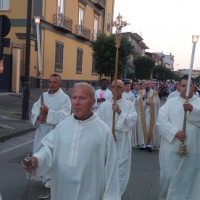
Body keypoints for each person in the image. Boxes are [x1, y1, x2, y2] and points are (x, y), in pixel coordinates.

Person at [25, 83, 121, 200]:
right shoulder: (62, 126)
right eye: (74, 97)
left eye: (82, 98)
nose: (76, 102)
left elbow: (111, 170)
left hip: (90, 192)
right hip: (63, 190)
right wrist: (37, 159)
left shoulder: (103, 132)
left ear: (93, 102)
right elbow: (48, 149)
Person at [157, 75, 200, 200]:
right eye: (183, 85)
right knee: (169, 176)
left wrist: (193, 110)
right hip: (171, 148)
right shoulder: (171, 103)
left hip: (193, 149)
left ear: (194, 87)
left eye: (189, 86)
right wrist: (175, 132)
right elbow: (161, 121)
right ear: (178, 86)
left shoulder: (198, 103)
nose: (186, 88)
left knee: (189, 179)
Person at [31, 74, 71, 199]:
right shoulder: (43, 96)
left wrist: (49, 114)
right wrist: (38, 117)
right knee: (40, 154)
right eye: (50, 82)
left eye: (54, 82)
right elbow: (34, 110)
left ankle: (49, 185)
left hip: (54, 132)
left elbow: (65, 116)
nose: (51, 84)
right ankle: (45, 179)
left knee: (51, 157)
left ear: (60, 84)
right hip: (41, 131)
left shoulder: (64, 98)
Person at [96, 79, 138, 196]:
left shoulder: (129, 104)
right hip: (107, 140)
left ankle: (116, 195)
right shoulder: (104, 105)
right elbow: (98, 122)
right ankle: (105, 191)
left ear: (123, 88)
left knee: (120, 169)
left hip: (122, 140)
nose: (116, 89)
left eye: (119, 87)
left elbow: (132, 120)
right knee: (106, 167)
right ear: (110, 88)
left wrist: (119, 111)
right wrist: (108, 134)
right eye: (114, 86)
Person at [134, 79, 160, 152]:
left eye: (148, 84)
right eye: (145, 84)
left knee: (150, 128)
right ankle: (143, 144)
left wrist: (152, 103)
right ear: (143, 85)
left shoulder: (154, 93)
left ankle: (149, 145)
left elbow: (158, 103)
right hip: (142, 113)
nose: (146, 86)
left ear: (150, 84)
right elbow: (136, 102)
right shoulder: (140, 92)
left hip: (151, 113)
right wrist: (141, 98)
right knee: (142, 128)